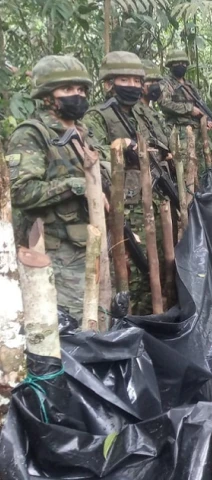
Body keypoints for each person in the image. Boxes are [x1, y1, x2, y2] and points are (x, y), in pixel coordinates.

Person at [5, 55, 103, 320]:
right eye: (67, 90)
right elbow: (20, 192)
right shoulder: (32, 134)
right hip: (57, 254)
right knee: (70, 331)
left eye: (81, 90)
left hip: (92, 247)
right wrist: (76, 186)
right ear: (48, 96)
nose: (77, 96)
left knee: (101, 322)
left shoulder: (85, 132)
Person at [83, 51, 169, 315]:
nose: (132, 86)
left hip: (153, 198)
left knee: (160, 266)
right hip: (125, 204)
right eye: (124, 80)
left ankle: (156, 318)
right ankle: (135, 324)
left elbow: (160, 145)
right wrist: (119, 147)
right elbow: (91, 154)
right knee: (134, 269)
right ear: (109, 83)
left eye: (135, 81)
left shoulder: (142, 115)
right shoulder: (97, 116)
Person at [158, 48, 212, 168]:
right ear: (171, 65)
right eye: (177, 63)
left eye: (183, 63)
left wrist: (207, 119)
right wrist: (189, 109)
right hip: (179, 132)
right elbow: (165, 104)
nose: (181, 66)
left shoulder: (189, 85)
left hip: (197, 131)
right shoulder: (165, 83)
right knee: (185, 167)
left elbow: (200, 104)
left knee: (201, 166)